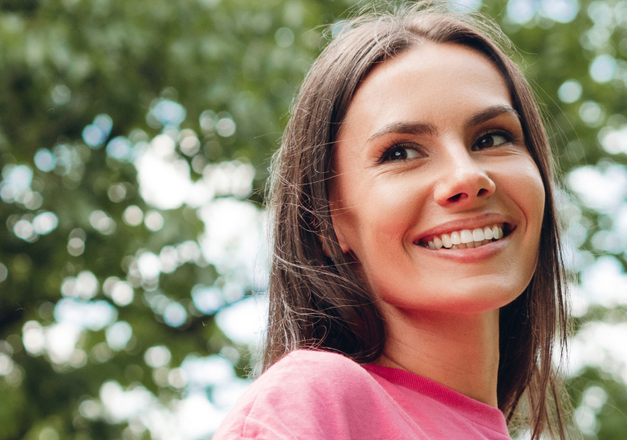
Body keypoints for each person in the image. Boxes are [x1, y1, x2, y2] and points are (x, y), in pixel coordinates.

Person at [214, 3, 572, 439]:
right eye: (400, 152)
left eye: (491, 138)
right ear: (329, 224)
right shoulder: (317, 400)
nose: (467, 176)